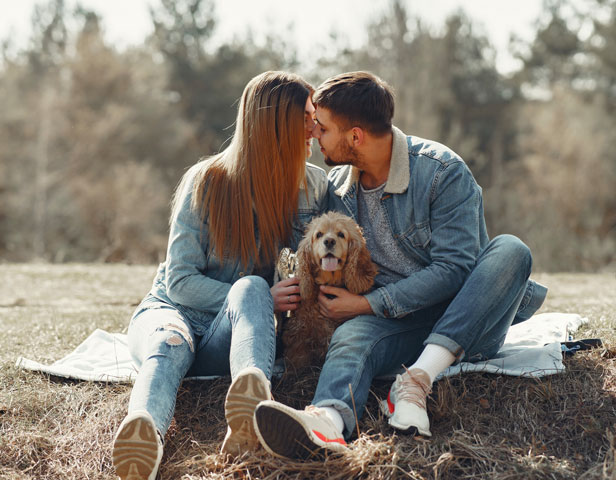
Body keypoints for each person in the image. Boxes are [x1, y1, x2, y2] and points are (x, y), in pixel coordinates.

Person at [253, 71, 548, 459]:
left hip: (465, 318)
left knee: (512, 250)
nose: (313, 135)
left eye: (321, 128)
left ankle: (416, 380)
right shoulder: (338, 187)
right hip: (394, 323)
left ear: (355, 136)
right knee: (352, 337)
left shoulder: (442, 172)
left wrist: (368, 304)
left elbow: (455, 269)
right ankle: (326, 419)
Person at [111, 71, 327, 480]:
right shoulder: (207, 182)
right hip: (174, 312)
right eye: (304, 118)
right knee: (169, 343)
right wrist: (263, 296)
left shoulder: (313, 187)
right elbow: (179, 281)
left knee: (250, 288)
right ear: (276, 125)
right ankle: (144, 435)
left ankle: (248, 406)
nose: (313, 130)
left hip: (232, 334)